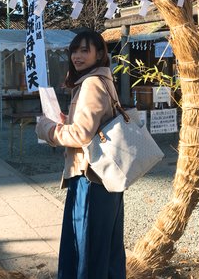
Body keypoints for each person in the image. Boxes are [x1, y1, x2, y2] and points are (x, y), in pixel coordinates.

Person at [35, 30, 126, 279]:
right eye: (75, 50)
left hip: (90, 177)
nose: (77, 55)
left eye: (85, 50)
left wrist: (49, 130)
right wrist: (67, 121)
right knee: (106, 249)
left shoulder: (91, 83)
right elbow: (93, 125)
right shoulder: (104, 79)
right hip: (108, 177)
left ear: (99, 54)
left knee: (85, 249)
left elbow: (81, 135)